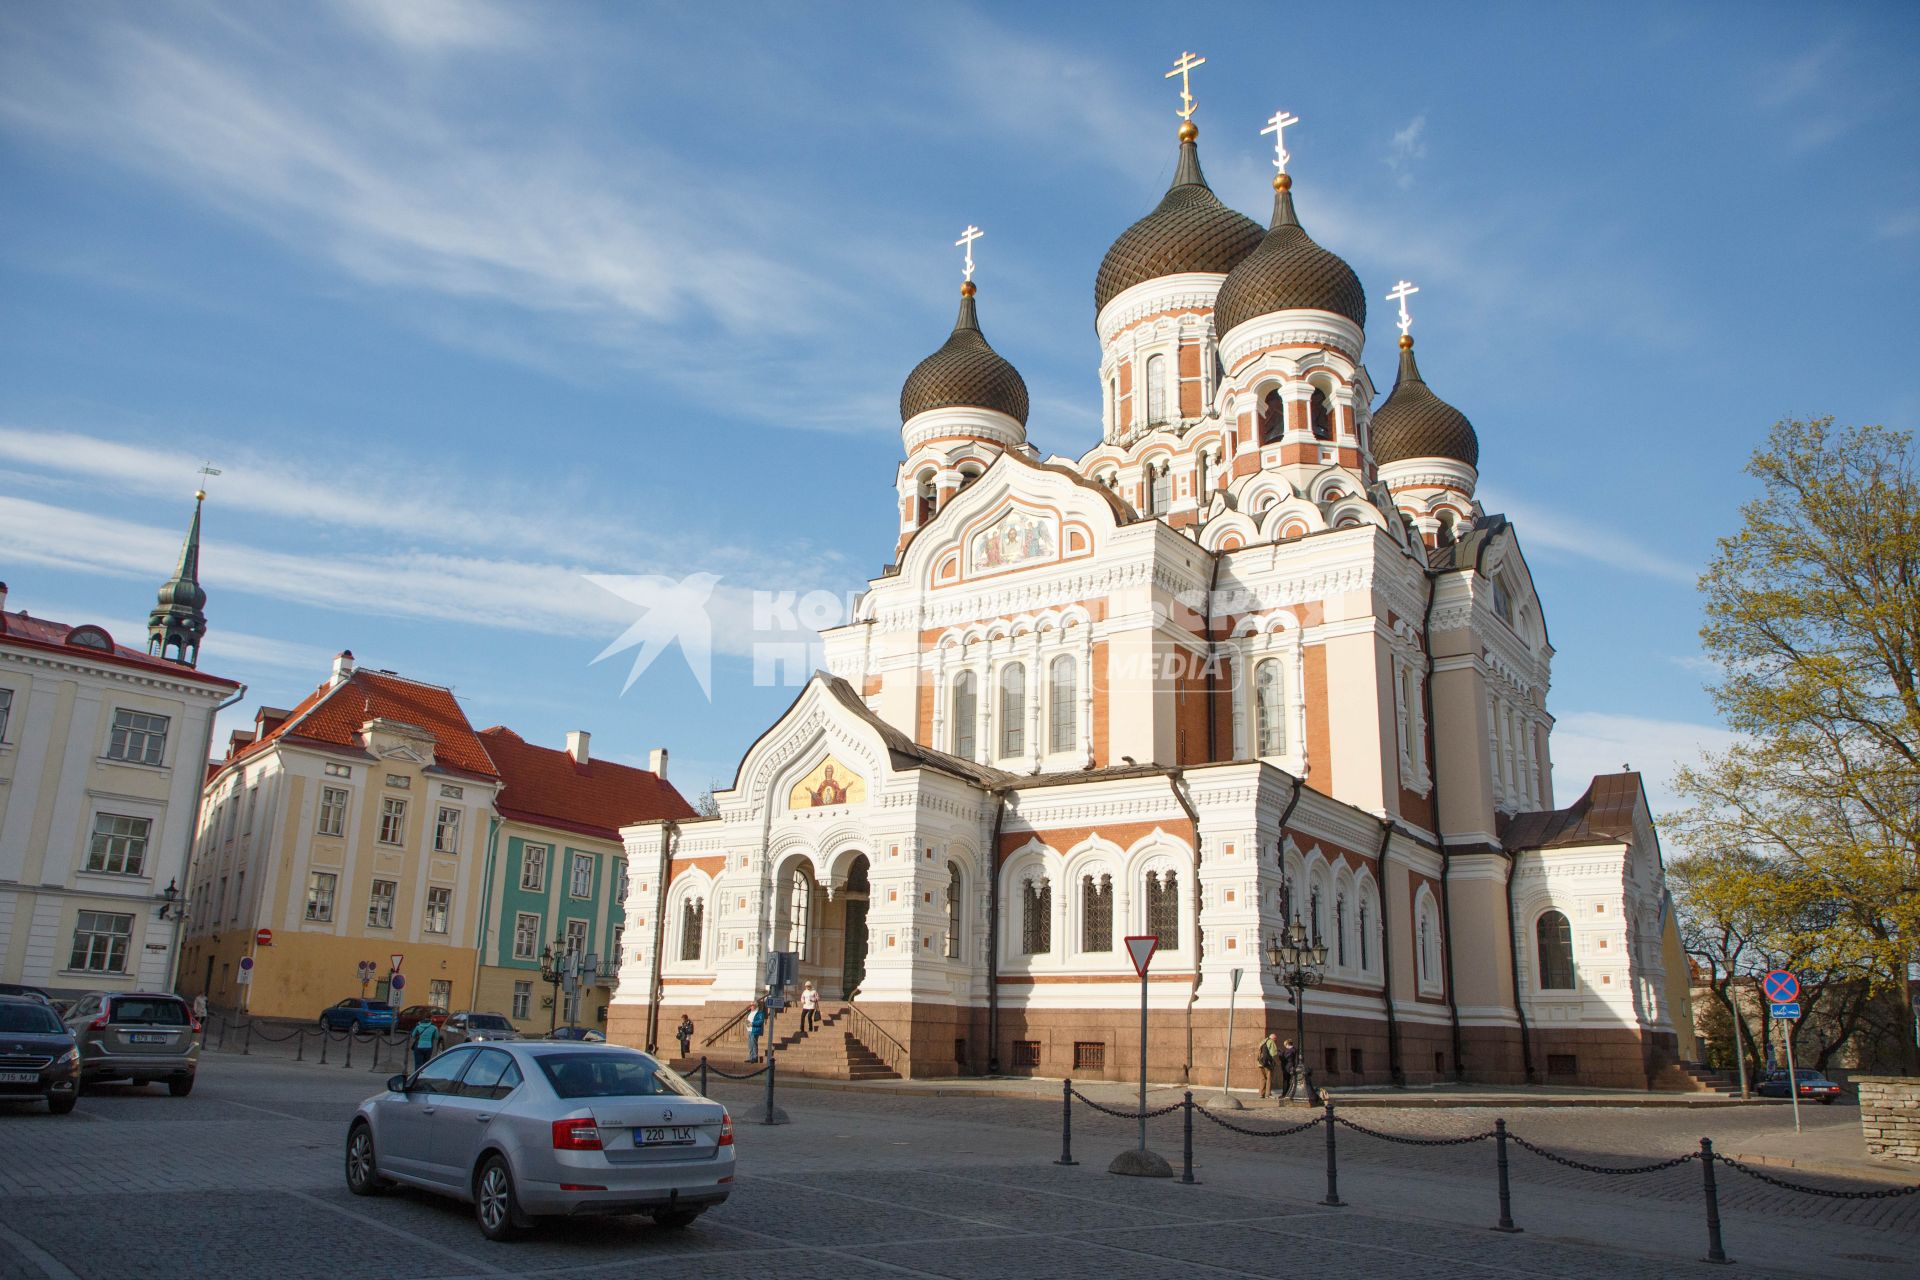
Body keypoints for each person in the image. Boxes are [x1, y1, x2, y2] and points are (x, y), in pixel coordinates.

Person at [1256, 1032, 1280, 1099]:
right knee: (1269, 1078)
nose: (1276, 1041)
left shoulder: (1263, 1042)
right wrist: (1278, 1062)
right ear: (1274, 1038)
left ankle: (1261, 1094)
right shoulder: (1271, 1042)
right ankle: (1268, 1094)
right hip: (1267, 1064)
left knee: (1262, 1078)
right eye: (1276, 1039)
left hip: (1260, 1063)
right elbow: (1273, 1054)